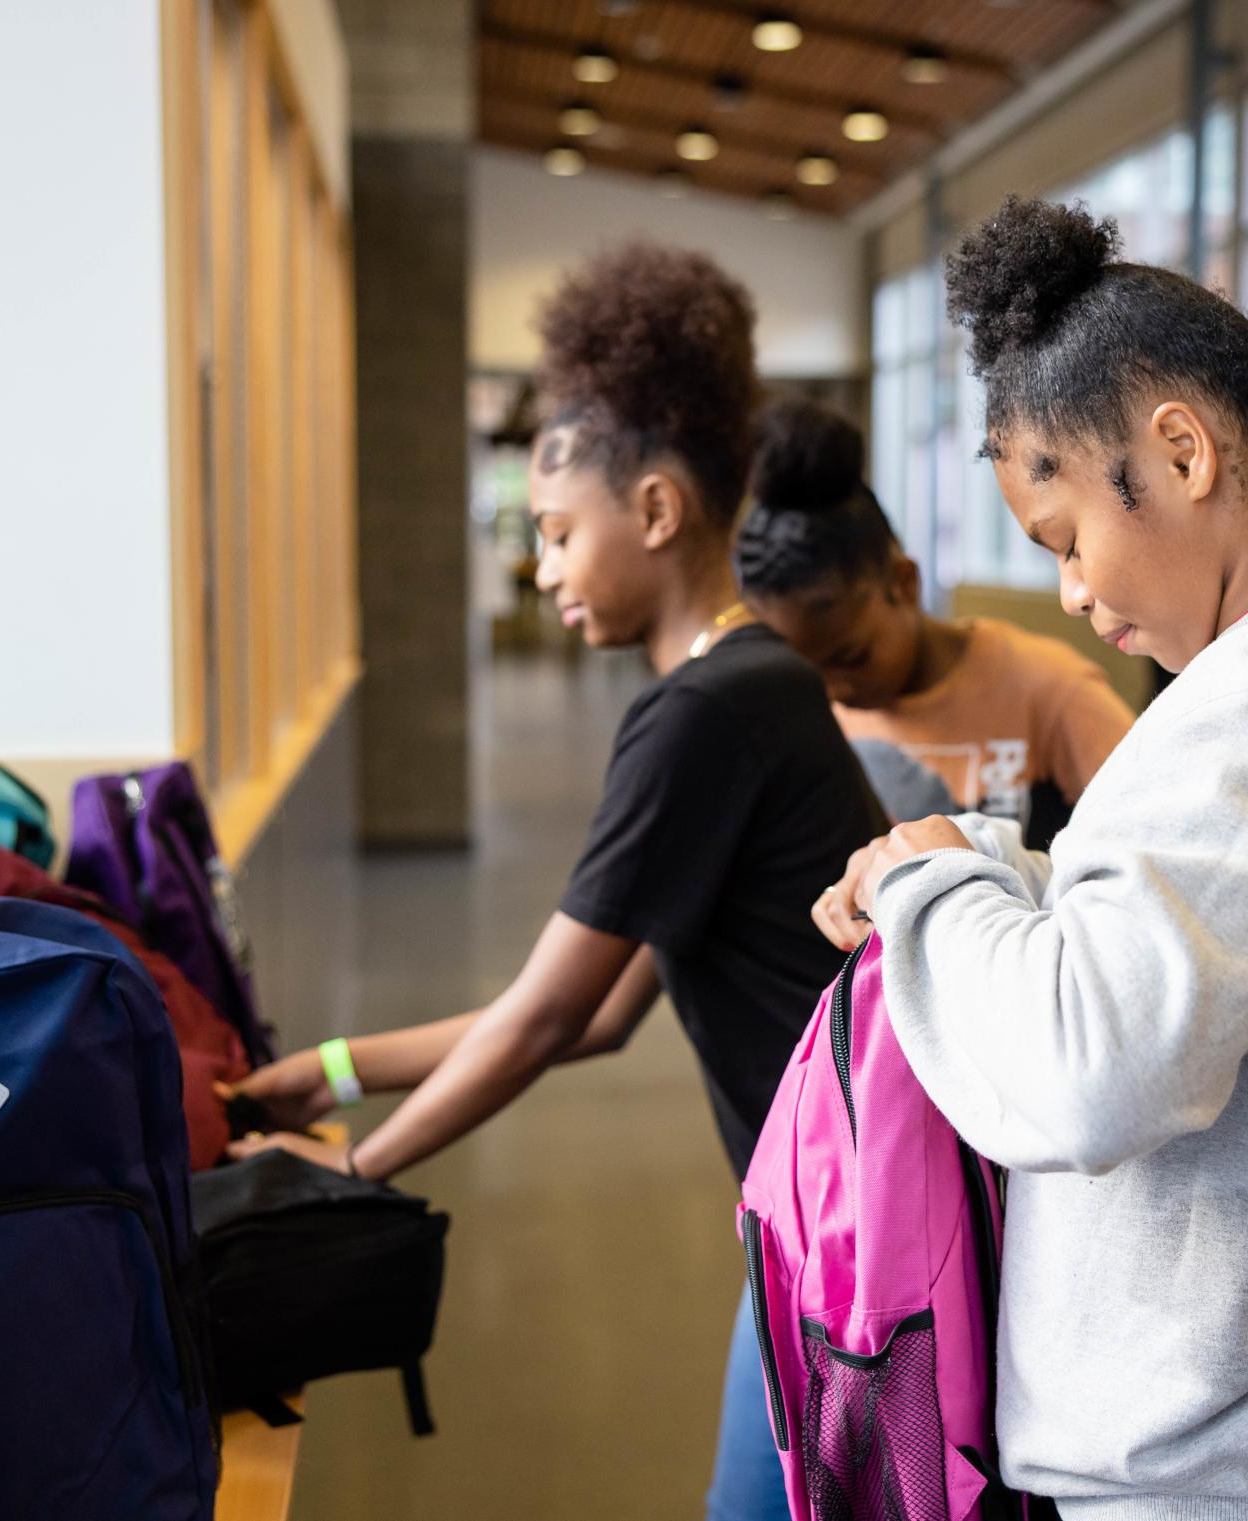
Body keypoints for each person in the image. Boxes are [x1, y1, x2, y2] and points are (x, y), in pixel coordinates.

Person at [812, 196, 1248, 1520]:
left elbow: (1088, 1069)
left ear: (1180, 452)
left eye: (1067, 537)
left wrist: (921, 890)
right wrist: (998, 867)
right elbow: (1219, 942)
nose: (1071, 590)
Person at [224, 242, 878, 1521]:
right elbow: (591, 1012)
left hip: (847, 1223)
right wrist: (334, 1073)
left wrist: (348, 1178)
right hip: (822, 1207)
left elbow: (538, 1020)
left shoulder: (705, 716)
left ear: (654, 512)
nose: (543, 570)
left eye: (559, 532)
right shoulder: (754, 687)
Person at [735, 397, 1135, 850]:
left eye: (851, 658)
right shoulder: (813, 721)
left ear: (904, 583)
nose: (836, 691)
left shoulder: (1047, 687)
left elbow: (1148, 834)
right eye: (811, 674)